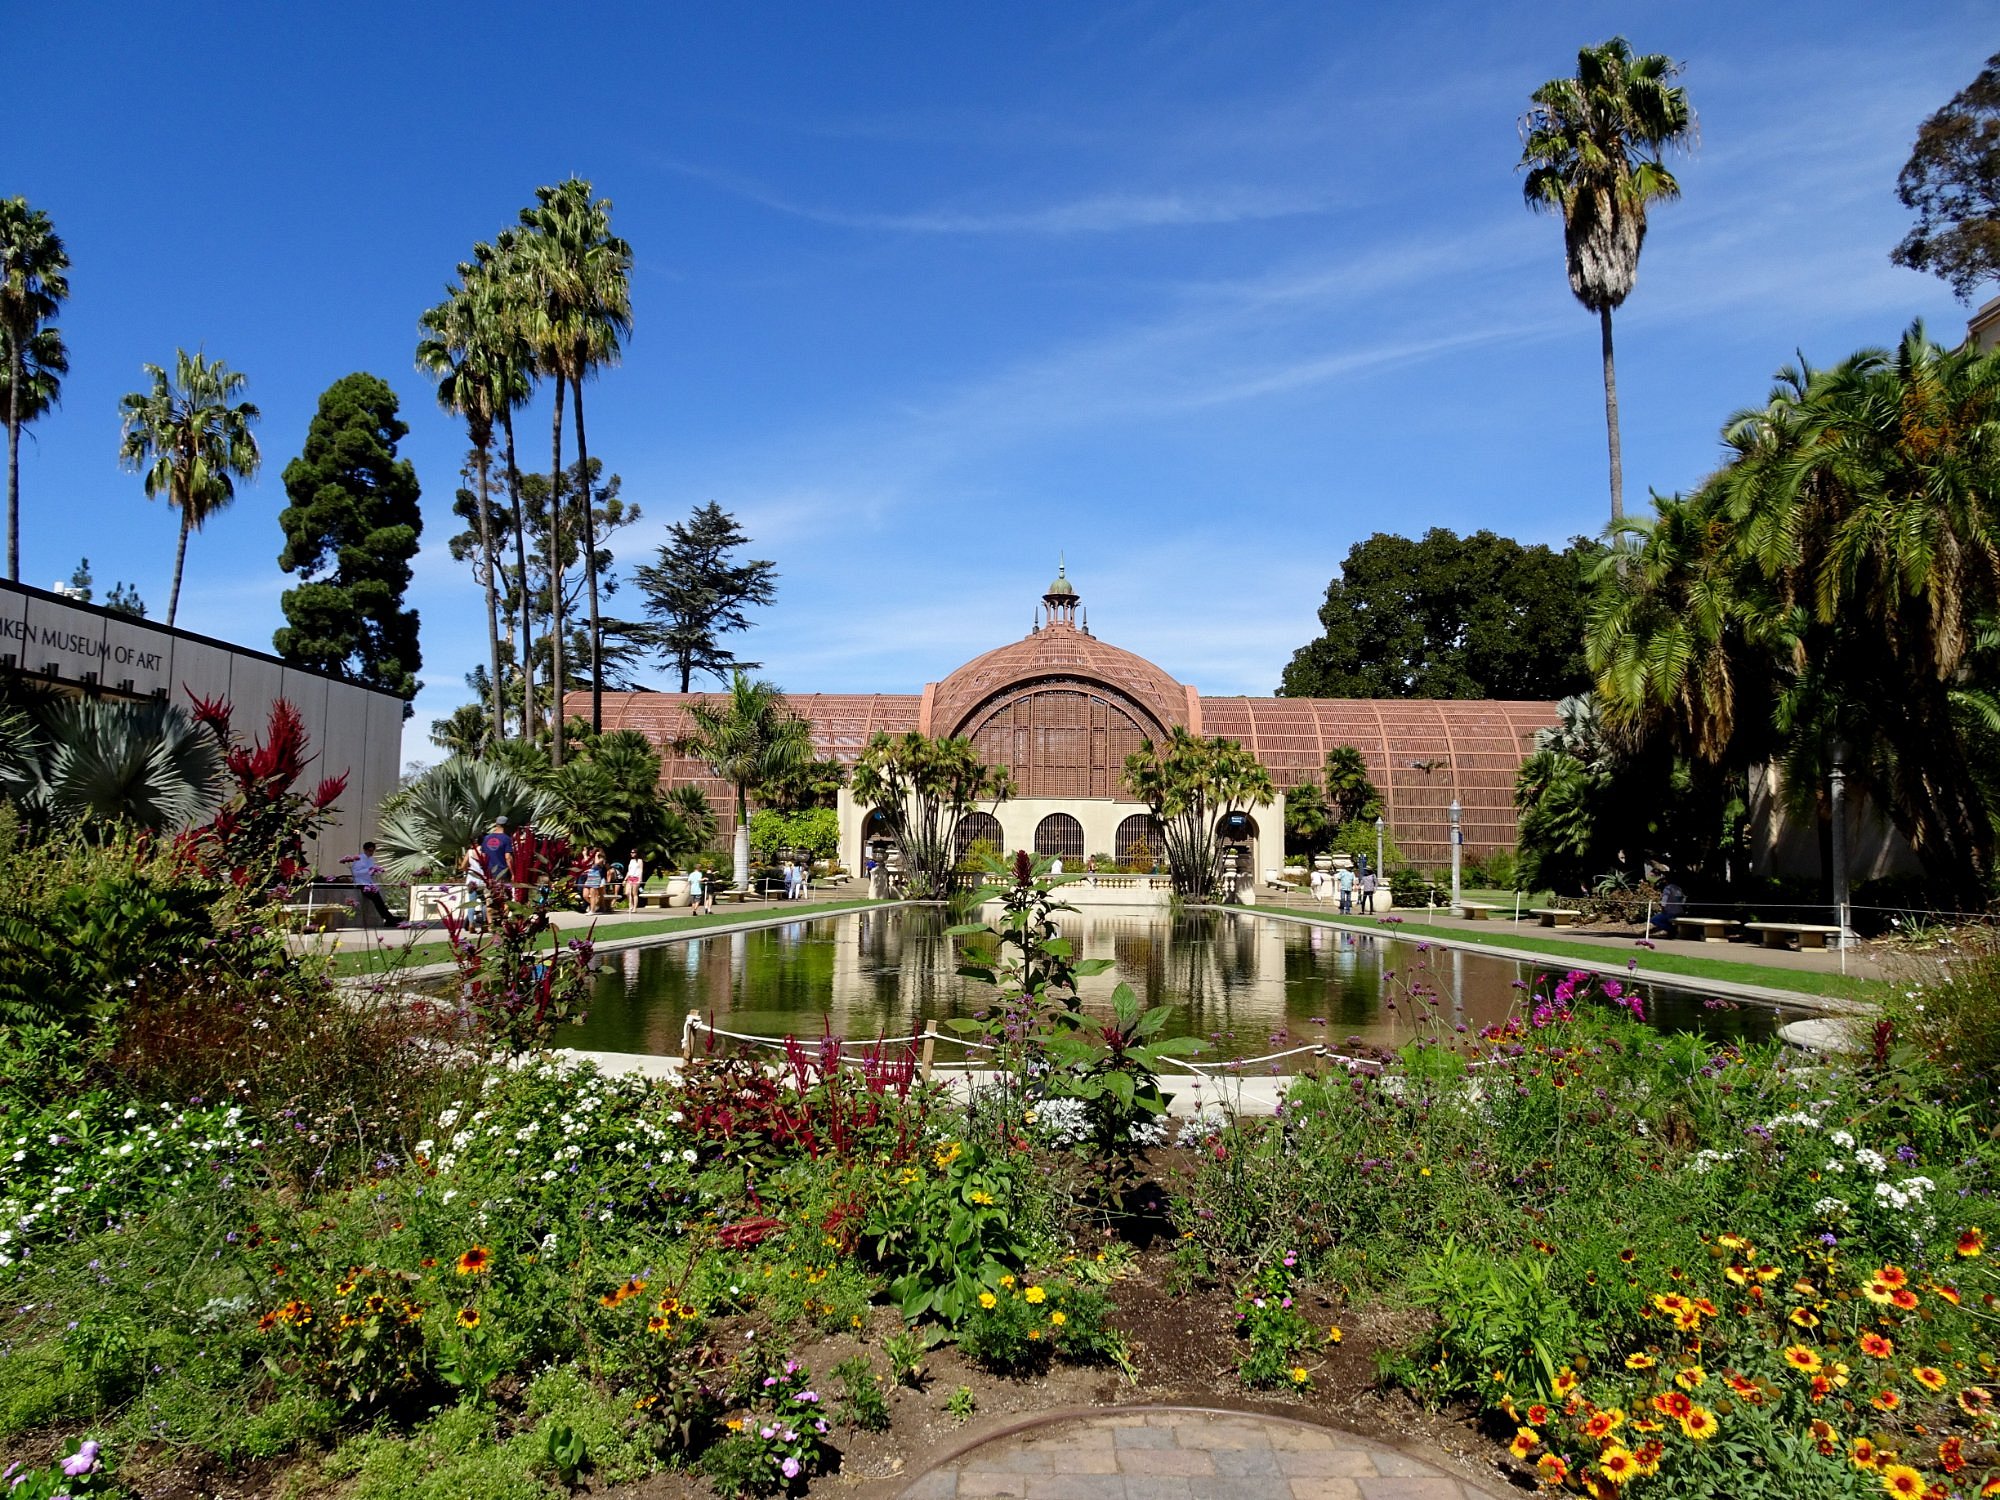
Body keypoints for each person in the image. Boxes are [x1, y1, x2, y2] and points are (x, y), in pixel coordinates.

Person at [346, 842, 396, 926]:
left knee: (379, 900)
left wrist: (375, 871)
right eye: (370, 850)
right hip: (361, 884)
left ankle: (389, 918)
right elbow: (355, 873)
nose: (371, 853)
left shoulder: (371, 859)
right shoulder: (360, 859)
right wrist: (369, 870)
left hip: (369, 883)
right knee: (377, 900)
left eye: (373, 851)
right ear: (365, 850)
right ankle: (388, 918)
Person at [479, 816, 514, 901]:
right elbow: (508, 857)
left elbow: (483, 856)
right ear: (506, 826)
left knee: (489, 899)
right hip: (501, 872)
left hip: (488, 874)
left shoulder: (486, 838)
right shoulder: (506, 839)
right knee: (501, 899)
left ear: (496, 824)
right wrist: (513, 873)